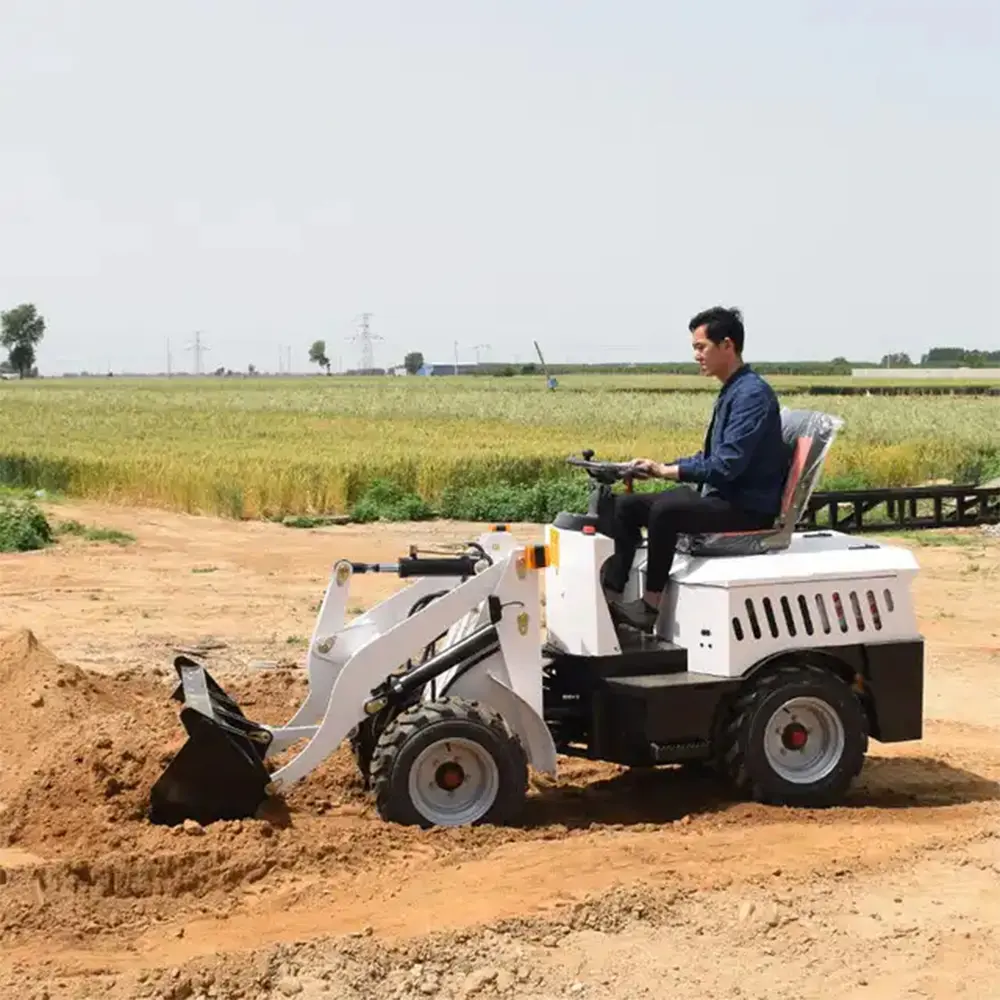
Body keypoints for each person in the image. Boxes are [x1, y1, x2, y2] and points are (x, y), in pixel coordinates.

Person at [605, 306, 789, 631]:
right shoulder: (734, 389)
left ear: (727, 345)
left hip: (746, 506)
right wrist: (660, 467)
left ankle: (649, 608)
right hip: (722, 496)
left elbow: (726, 465)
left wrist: (666, 472)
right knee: (625, 506)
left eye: (700, 346)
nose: (696, 355)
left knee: (665, 511)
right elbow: (710, 457)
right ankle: (612, 596)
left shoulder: (752, 396)